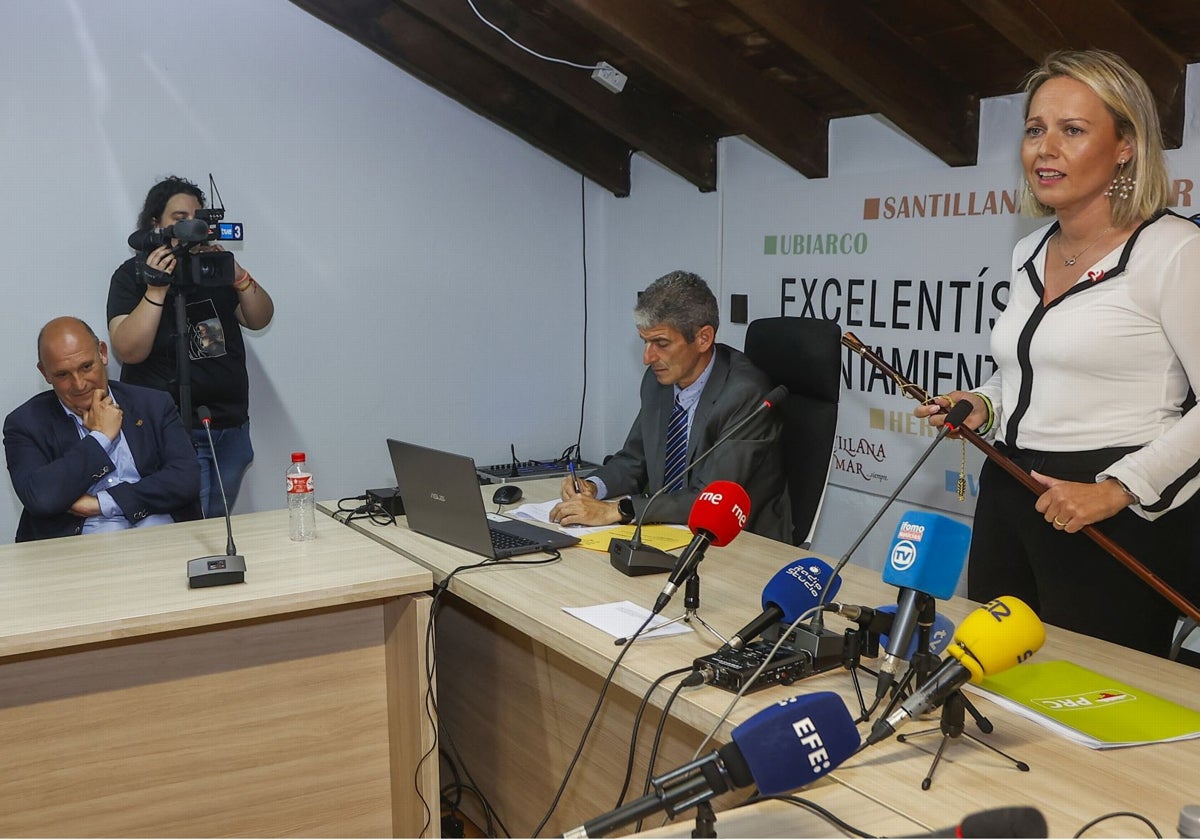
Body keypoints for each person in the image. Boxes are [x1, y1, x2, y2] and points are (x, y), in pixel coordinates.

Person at [916, 50, 1200, 658]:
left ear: (1125, 145)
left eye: (1072, 130)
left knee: (1090, 717)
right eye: (1035, 130)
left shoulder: (1174, 250)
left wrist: (1118, 489)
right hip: (1010, 493)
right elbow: (1027, 371)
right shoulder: (1030, 250)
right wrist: (981, 403)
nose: (1046, 148)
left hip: (1109, 515)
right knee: (994, 687)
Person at [550, 270, 790, 541]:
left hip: (741, 542)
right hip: (667, 531)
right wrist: (592, 486)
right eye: (645, 342)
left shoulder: (746, 395)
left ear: (703, 338)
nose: (647, 357)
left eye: (661, 343)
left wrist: (618, 510)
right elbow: (634, 459)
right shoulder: (658, 381)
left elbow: (710, 498)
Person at [107, 175, 274, 518]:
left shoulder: (214, 269)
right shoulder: (132, 276)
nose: (191, 227)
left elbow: (259, 317)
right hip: (169, 430)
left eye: (197, 218)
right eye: (180, 219)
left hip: (228, 424)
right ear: (156, 224)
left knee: (217, 524)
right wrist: (156, 289)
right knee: (187, 532)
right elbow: (128, 350)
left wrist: (238, 275)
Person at [3, 317, 201, 542]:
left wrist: (102, 503)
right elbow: (41, 498)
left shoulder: (152, 404)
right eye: (62, 375)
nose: (79, 384)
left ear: (103, 353)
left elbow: (186, 479)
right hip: (81, 548)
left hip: (160, 533)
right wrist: (101, 437)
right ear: (45, 373)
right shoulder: (25, 423)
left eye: (86, 367)